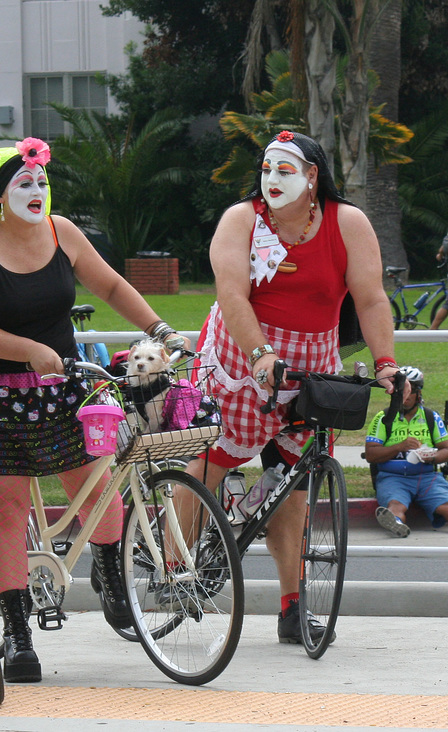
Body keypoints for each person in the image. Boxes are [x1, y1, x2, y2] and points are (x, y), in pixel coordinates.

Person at [0, 139, 186, 684]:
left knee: (97, 489)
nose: (36, 192)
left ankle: (110, 575)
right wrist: (26, 350)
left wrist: (160, 331)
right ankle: (18, 631)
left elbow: (112, 284)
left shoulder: (62, 232)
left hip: (66, 391)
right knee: (6, 512)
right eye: (24, 184)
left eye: (42, 182)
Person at [183, 129, 401, 646]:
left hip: (312, 360)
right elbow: (232, 293)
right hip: (243, 350)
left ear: (312, 177)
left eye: (285, 169)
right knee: (215, 456)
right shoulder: (242, 220)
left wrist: (387, 363)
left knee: (292, 481)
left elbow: (370, 300)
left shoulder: (348, 222)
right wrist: (260, 356)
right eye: (266, 169)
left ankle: (291, 605)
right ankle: (178, 567)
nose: (272, 179)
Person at [365, 366, 448, 537]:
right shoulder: (383, 417)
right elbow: (371, 455)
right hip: (393, 477)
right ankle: (396, 523)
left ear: (418, 394)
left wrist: (432, 457)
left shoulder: (431, 417)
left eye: (410, 392)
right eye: (400, 392)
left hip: (427, 476)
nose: (405, 397)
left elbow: (446, 450)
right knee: (396, 505)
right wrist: (398, 447)